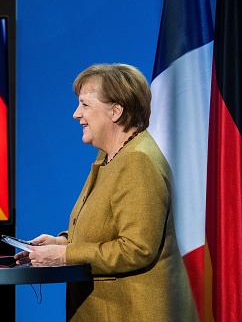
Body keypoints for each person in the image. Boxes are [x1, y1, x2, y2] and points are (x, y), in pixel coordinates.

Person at [15, 63, 198, 321]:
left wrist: (65, 255)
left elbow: (137, 248)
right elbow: (106, 228)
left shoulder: (138, 161)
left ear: (116, 111)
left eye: (85, 105)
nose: (76, 114)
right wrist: (62, 242)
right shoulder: (109, 156)